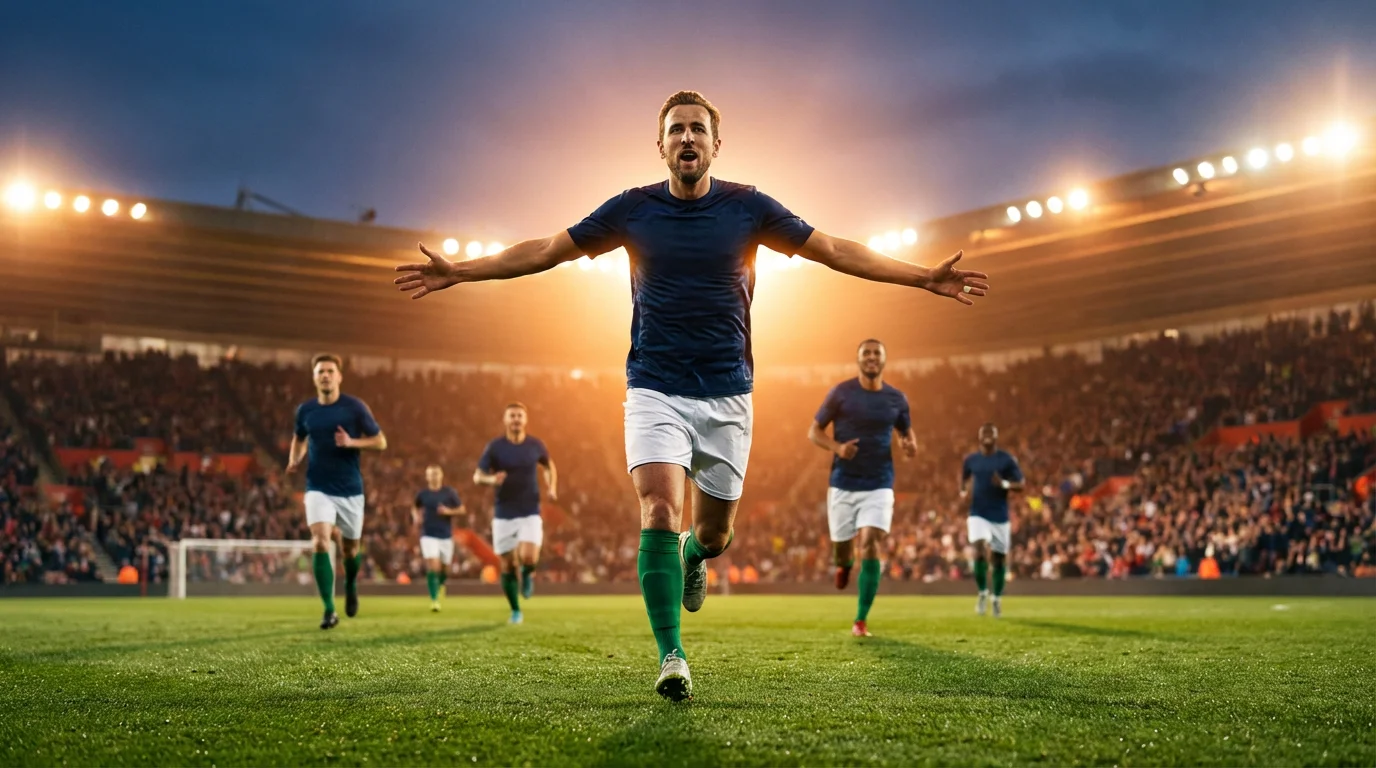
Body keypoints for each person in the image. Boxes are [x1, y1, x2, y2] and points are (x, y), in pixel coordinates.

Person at [394, 90, 988, 700]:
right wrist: (463, 271)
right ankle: (671, 655)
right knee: (656, 509)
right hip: (654, 386)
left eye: (697, 130)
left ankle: (694, 556)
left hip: (729, 394)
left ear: (715, 144)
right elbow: (547, 250)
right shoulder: (631, 210)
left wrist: (923, 277)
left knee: (714, 535)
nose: (686, 139)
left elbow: (833, 250)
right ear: (660, 145)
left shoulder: (749, 207)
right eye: (676, 129)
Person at [808, 339, 915, 637]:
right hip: (843, 484)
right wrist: (838, 448)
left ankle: (860, 619)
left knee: (871, 541)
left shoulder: (896, 398)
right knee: (843, 552)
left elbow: (906, 431)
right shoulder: (841, 393)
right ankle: (844, 564)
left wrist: (909, 443)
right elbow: (814, 431)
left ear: (884, 360)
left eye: (876, 353)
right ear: (858, 360)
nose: (871, 357)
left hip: (879, 483)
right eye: (866, 353)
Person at [287, 353, 387, 630]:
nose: (326, 375)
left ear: (339, 376)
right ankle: (329, 610)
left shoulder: (355, 407)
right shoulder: (305, 410)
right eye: (321, 372)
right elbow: (299, 438)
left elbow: (381, 442)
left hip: (351, 490)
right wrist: (294, 458)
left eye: (330, 371)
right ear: (315, 377)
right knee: (319, 541)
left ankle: (352, 583)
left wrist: (352, 442)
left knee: (350, 549)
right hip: (317, 487)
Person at [474, 403, 557, 624]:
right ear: (505, 420)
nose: (516, 419)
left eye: (520, 416)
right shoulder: (495, 447)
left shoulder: (535, 445)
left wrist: (551, 487)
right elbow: (477, 476)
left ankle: (528, 573)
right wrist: (492, 479)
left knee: (529, 557)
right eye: (512, 416)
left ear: (525, 419)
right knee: (508, 566)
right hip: (503, 514)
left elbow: (549, 466)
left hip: (530, 510)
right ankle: (515, 610)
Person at [960, 423, 1022, 618]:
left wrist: (1004, 484)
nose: (987, 436)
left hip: (1000, 517)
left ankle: (996, 599)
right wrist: (963, 492)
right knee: (979, 548)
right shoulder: (971, 460)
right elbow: (963, 479)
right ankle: (982, 593)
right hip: (977, 513)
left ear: (996, 437)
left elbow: (1021, 484)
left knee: (998, 558)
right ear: (979, 437)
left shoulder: (1006, 459)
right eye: (984, 433)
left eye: (991, 433)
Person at [413, 464, 466, 612]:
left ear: (441, 476)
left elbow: (462, 509)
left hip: (445, 536)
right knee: (432, 566)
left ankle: (441, 584)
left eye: (436, 474)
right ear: (427, 477)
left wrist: (448, 511)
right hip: (428, 535)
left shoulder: (449, 493)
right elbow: (415, 506)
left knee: (444, 568)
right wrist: (416, 516)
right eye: (431, 474)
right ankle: (434, 600)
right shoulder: (423, 494)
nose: (434, 477)